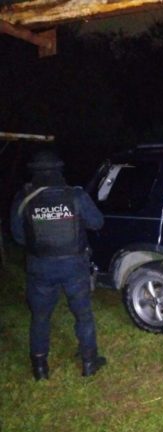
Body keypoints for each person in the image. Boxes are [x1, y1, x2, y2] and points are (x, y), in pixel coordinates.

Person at [10, 150, 106, 380]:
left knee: (40, 317)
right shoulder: (76, 195)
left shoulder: (24, 198)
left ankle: (40, 368)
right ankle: (89, 362)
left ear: (34, 172)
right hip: (74, 265)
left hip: (40, 267)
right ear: (59, 170)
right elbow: (97, 222)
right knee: (83, 315)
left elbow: (18, 236)